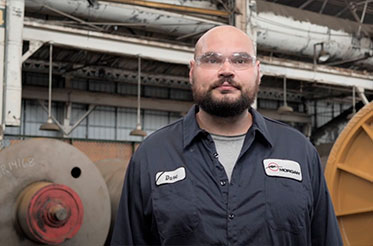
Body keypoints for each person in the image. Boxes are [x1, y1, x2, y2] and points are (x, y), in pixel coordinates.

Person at [111, 25, 342, 245]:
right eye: (212, 60)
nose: (226, 70)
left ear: (258, 72)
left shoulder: (299, 152)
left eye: (240, 60)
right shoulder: (152, 155)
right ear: (192, 71)